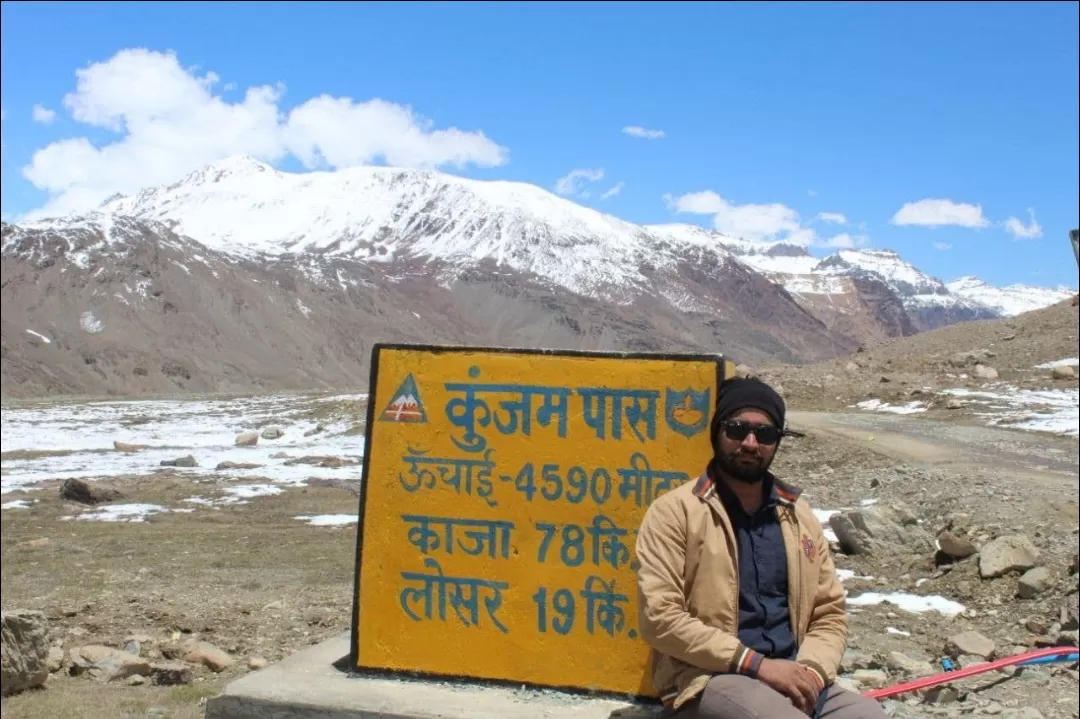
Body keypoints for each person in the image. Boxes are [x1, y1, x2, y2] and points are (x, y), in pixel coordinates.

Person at [634, 376, 889, 718]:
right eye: (737, 429)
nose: (751, 443)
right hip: (709, 678)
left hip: (794, 673)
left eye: (765, 433)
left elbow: (828, 612)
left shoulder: (799, 516)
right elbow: (660, 617)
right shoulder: (675, 513)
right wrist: (756, 665)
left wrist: (812, 672)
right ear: (716, 433)